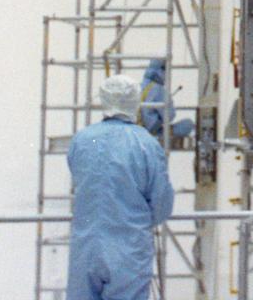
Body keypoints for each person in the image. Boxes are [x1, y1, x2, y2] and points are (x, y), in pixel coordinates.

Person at [67, 75, 174, 300]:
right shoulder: (146, 144)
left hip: (86, 246)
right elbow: (162, 203)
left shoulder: (82, 139)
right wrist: (138, 222)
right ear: (135, 101)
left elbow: (79, 180)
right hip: (128, 249)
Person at [139, 57, 193, 140]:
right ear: (161, 71)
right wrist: (169, 101)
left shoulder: (140, 85)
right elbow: (170, 116)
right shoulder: (158, 89)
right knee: (188, 124)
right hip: (152, 131)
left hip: (138, 129)